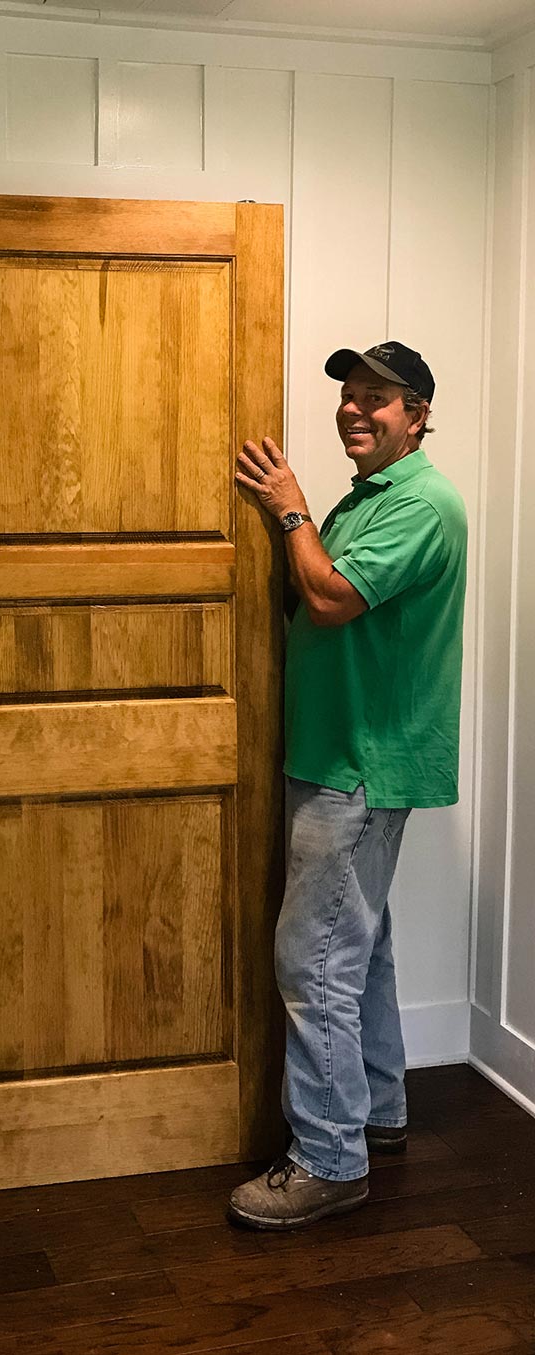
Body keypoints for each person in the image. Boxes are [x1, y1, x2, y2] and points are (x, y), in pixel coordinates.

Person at [227, 342, 467, 1230]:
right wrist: (294, 520)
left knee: (314, 958)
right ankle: (380, 1110)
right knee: (357, 946)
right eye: (351, 395)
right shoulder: (373, 496)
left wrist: (289, 512)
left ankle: (329, 1159)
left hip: (363, 762)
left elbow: (329, 599)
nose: (356, 410)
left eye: (380, 399)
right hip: (336, 750)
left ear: (419, 414)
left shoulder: (423, 505)